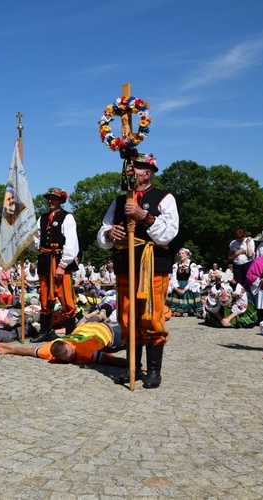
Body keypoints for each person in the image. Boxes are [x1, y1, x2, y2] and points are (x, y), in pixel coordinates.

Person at [97, 152, 179, 389]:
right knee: (126, 317)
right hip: (125, 264)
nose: (129, 172)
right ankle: (133, 368)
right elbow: (103, 232)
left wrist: (145, 217)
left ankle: (154, 371)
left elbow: (169, 233)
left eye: (135, 168)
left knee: (151, 316)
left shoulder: (164, 198)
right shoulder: (119, 201)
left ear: (148, 172)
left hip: (152, 265)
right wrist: (110, 233)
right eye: (128, 168)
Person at [29, 187, 80, 341]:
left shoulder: (67, 217)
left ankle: (70, 333)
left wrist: (62, 265)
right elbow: (36, 243)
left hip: (59, 259)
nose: (50, 201)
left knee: (65, 297)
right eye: (49, 198)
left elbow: (72, 244)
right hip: (44, 260)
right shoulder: (42, 218)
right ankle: (45, 331)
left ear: (61, 200)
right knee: (44, 297)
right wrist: (27, 238)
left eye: (54, 198)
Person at [0, 322, 129, 368]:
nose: (73, 359)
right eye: (69, 359)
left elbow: (112, 361)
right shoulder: (50, 349)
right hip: (86, 327)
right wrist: (8, 350)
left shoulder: (84, 350)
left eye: (72, 355)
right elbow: (26, 351)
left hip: (106, 332)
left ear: (68, 346)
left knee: (133, 331)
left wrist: (134, 366)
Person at [166, 248, 203, 317]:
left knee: (192, 293)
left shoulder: (192, 265)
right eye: (179, 254)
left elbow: (193, 277)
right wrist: (176, 288)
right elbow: (172, 277)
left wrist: (185, 289)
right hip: (177, 285)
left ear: (187, 255)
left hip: (188, 285)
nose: (180, 255)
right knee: (173, 306)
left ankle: (189, 311)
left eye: (182, 253)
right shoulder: (175, 265)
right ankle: (176, 311)